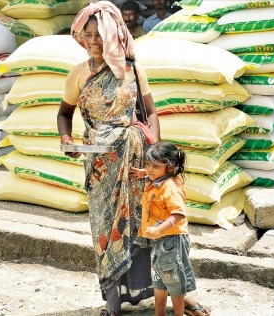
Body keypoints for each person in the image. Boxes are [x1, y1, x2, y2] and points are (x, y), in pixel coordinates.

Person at [57, 2, 211, 316]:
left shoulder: (132, 70)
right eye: (88, 35)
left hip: (139, 161)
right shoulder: (78, 74)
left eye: (100, 35)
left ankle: (182, 296)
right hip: (101, 170)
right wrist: (67, 138)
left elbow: (150, 112)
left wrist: (155, 151)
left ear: (115, 35)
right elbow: (64, 114)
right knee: (106, 234)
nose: (94, 41)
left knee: (155, 228)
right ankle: (113, 304)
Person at [131, 141, 196, 316]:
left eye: (155, 166)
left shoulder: (170, 188)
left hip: (171, 240)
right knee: (160, 280)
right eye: (147, 165)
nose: (149, 170)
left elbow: (178, 214)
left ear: (170, 168)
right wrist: (144, 172)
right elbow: (156, 173)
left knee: (173, 282)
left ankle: (178, 313)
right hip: (161, 241)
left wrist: (160, 230)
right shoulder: (159, 180)